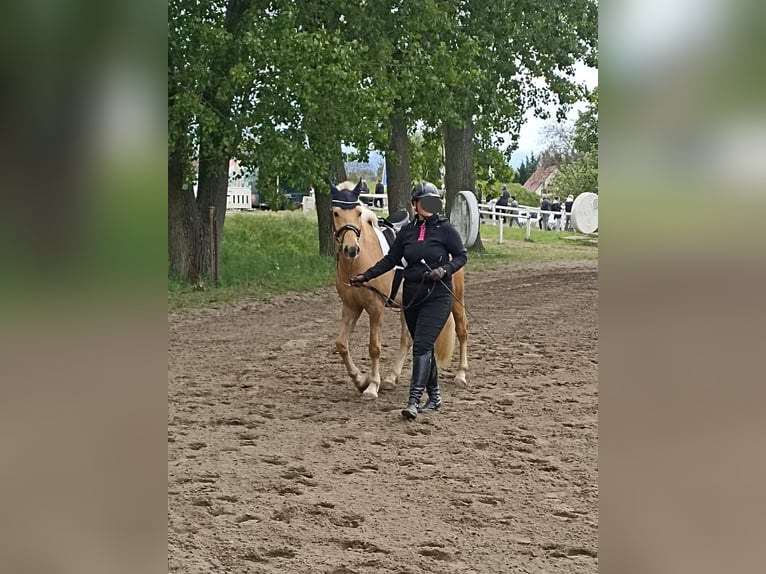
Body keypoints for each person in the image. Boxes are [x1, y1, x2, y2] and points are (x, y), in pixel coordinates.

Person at [350, 182, 468, 419]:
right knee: (424, 346)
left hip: (437, 295)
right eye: (425, 202)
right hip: (413, 297)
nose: (429, 207)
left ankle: (413, 400)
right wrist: (366, 276)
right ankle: (434, 397)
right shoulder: (408, 232)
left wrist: (444, 270)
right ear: (415, 205)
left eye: (433, 202)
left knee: (422, 347)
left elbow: (462, 256)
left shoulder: (445, 230)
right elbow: (389, 260)